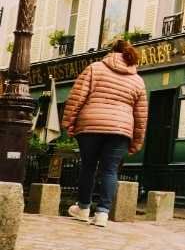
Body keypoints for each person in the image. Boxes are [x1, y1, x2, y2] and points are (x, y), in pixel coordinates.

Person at [62, 40, 148, 228]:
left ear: (111, 52)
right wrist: (137, 141)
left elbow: (77, 97)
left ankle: (83, 209)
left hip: (90, 126)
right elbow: (141, 116)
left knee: (88, 167)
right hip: (120, 130)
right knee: (110, 170)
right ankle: (102, 213)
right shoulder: (137, 80)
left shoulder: (94, 69)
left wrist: (68, 122)